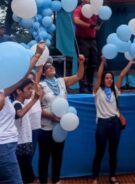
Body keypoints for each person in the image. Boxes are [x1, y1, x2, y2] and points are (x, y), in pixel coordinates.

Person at [0, 41, 45, 184]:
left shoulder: (3, 91)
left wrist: (37, 55)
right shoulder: (5, 97)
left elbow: (21, 78)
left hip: (8, 145)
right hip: (4, 147)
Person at [38, 53, 85, 184]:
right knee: (44, 158)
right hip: (46, 128)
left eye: (51, 66)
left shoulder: (62, 81)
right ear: (43, 73)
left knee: (58, 156)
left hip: (60, 127)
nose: (50, 68)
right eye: (47, 67)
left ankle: (56, 180)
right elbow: (37, 108)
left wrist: (81, 63)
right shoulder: (41, 86)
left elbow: (79, 76)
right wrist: (51, 116)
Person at [92, 57, 135, 184]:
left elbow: (121, 75)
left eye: (111, 78)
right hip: (102, 124)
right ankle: (95, 178)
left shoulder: (115, 90)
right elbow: (99, 75)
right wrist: (102, 63)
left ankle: (112, 176)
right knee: (99, 152)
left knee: (113, 151)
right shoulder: (97, 91)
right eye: (107, 78)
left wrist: (130, 63)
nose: (109, 80)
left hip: (115, 123)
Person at [13, 79, 42, 184]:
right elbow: (19, 114)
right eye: (28, 88)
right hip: (21, 146)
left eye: (31, 88)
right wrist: (34, 99)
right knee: (30, 179)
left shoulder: (21, 104)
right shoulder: (17, 104)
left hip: (24, 145)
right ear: (18, 91)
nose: (31, 91)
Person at [73, 0, 99, 93]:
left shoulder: (94, 10)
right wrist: (90, 25)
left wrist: (97, 25)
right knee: (84, 62)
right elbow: (76, 20)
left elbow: (95, 24)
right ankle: (83, 87)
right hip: (82, 39)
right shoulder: (79, 9)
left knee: (93, 63)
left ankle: (90, 84)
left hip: (92, 39)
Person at [25, 71, 42, 155]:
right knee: (27, 155)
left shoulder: (37, 90)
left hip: (36, 126)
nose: (30, 81)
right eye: (28, 79)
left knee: (32, 152)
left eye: (32, 79)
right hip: (26, 128)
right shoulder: (22, 92)